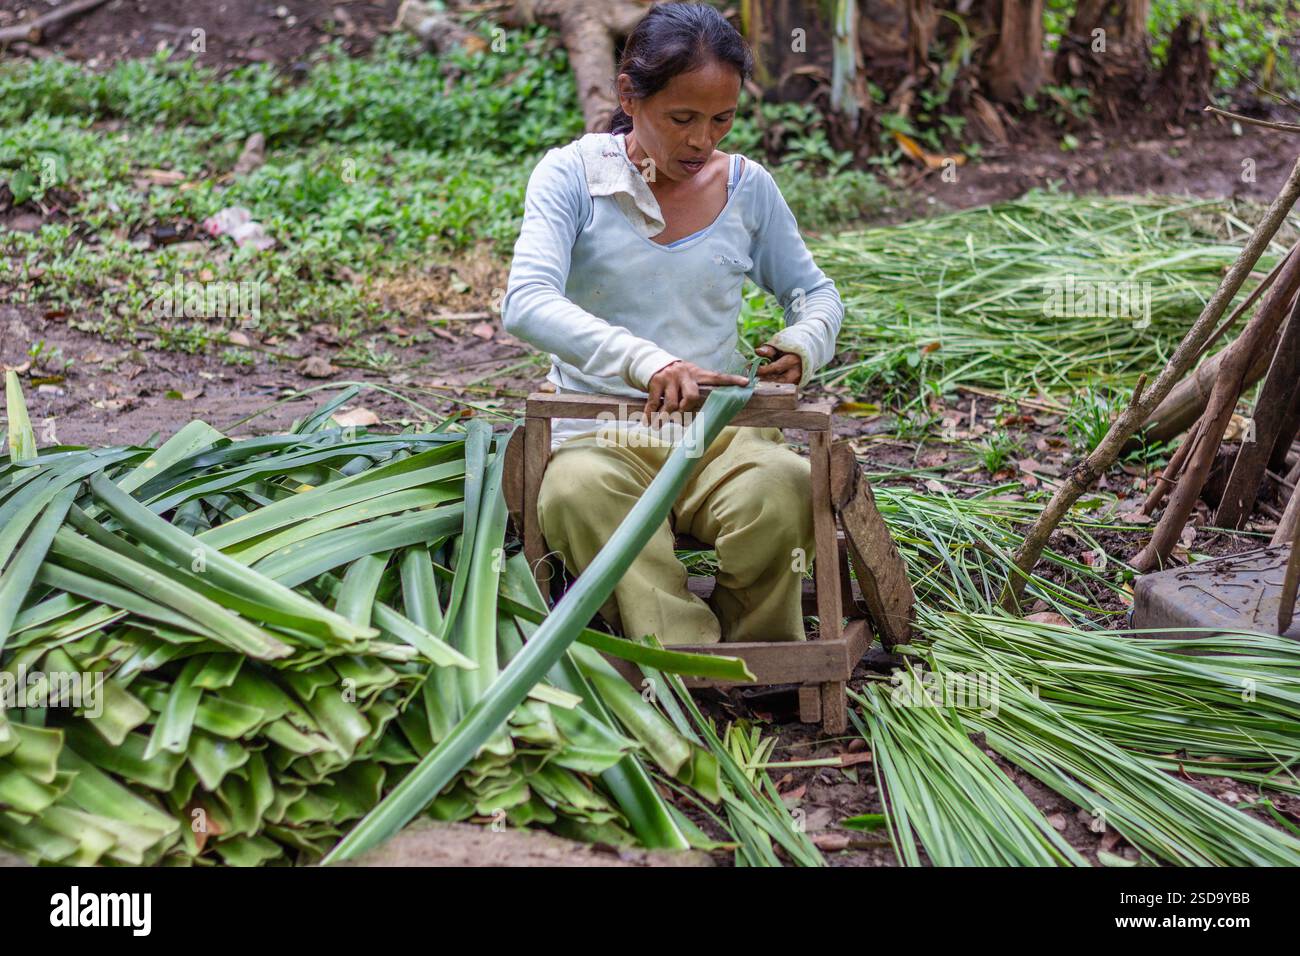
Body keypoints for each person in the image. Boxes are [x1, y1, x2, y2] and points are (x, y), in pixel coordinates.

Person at [502, 2, 844, 646]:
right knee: (576, 495)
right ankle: (683, 653)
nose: (701, 141)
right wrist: (647, 363)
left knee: (786, 487)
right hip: (599, 430)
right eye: (681, 118)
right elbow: (526, 301)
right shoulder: (573, 176)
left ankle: (761, 649)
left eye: (722, 119)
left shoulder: (748, 188)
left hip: (718, 435)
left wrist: (804, 341)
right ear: (629, 96)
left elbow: (816, 294)